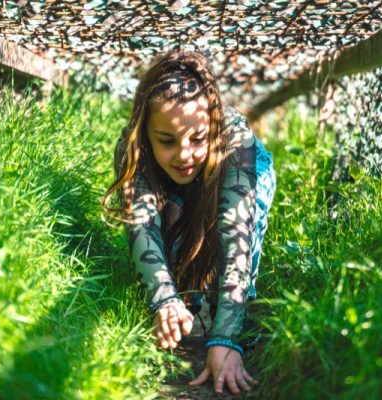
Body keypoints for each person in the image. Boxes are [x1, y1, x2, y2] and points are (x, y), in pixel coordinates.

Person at [102, 51, 276, 395]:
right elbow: (141, 228)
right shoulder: (132, 146)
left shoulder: (234, 139)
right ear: (147, 136)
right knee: (174, 234)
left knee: (232, 226)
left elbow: (235, 234)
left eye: (197, 139)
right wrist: (163, 300)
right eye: (167, 141)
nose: (184, 154)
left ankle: (236, 313)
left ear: (211, 128)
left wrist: (225, 339)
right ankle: (188, 298)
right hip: (176, 193)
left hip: (235, 182)